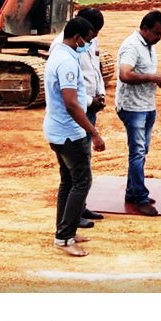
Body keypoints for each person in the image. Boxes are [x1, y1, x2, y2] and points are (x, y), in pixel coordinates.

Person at [44, 17, 105, 257]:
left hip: (58, 130)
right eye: (87, 40)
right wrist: (94, 132)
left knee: (68, 182)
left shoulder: (59, 55)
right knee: (82, 182)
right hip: (69, 133)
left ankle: (65, 230)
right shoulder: (67, 62)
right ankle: (64, 238)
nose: (88, 45)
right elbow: (71, 103)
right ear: (78, 38)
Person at [116, 10, 161, 216]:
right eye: (156, 33)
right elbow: (125, 74)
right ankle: (140, 197)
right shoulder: (131, 46)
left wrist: (155, 79)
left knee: (142, 151)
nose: (159, 38)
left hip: (146, 105)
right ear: (145, 28)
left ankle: (132, 191)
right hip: (132, 107)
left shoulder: (148, 44)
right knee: (137, 152)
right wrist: (152, 77)